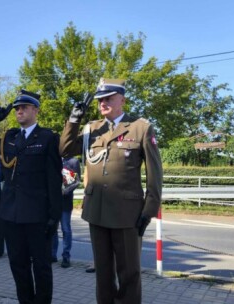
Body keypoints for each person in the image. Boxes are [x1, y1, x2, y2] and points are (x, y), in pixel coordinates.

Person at [59, 78, 163, 303]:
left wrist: (149, 209)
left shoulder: (140, 128)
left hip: (127, 214)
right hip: (96, 211)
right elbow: (65, 149)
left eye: (108, 98)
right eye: (99, 100)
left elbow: (155, 173)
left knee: (129, 274)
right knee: (103, 275)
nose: (102, 103)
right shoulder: (91, 129)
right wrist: (74, 119)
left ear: (122, 100)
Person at [0, 90, 63, 303]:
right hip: (11, 213)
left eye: (24, 107)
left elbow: (54, 178)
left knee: (41, 266)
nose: (19, 111)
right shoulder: (10, 137)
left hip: (37, 214)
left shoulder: (48, 138)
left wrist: (54, 215)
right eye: (17, 108)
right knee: (18, 264)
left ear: (35, 110)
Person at [52, 156, 81, 268]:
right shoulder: (55, 158)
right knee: (53, 228)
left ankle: (66, 256)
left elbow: (77, 180)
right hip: (54, 200)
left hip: (65, 201)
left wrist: (66, 191)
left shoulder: (73, 161)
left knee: (66, 229)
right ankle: (52, 254)